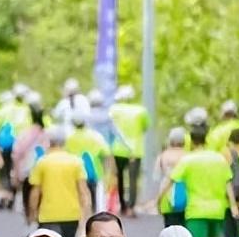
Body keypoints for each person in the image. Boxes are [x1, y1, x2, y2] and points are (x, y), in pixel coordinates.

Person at [163, 124, 236, 237]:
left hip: (196, 208)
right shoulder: (219, 159)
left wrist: (158, 199)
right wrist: (233, 205)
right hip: (218, 208)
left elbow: (172, 180)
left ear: (192, 141)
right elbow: (227, 182)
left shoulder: (188, 160)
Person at [27, 126, 90, 237]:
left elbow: (35, 192)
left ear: (50, 141)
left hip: (48, 215)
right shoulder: (75, 162)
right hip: (71, 214)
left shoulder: (42, 162)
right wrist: (85, 216)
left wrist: (32, 213)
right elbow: (83, 192)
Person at [109, 85, 149, 216]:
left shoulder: (114, 110)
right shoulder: (141, 111)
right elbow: (146, 126)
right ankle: (131, 206)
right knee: (133, 179)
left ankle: (122, 205)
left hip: (119, 148)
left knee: (120, 177)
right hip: (135, 149)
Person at [65, 112, 111, 212]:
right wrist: (107, 171)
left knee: (78, 197)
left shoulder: (69, 138)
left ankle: (81, 218)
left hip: (74, 174)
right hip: (93, 172)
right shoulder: (95, 136)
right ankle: (92, 217)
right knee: (93, 197)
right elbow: (106, 153)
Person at [11, 104, 48, 223]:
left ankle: (29, 221)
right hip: (44, 171)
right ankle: (39, 221)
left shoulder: (25, 133)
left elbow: (17, 153)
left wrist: (16, 173)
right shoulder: (46, 134)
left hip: (27, 171)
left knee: (27, 198)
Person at [155, 127, 188, 227]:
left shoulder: (163, 155)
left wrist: (158, 201)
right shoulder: (188, 156)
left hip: (166, 194)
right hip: (185, 195)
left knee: (169, 230)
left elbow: (157, 176)